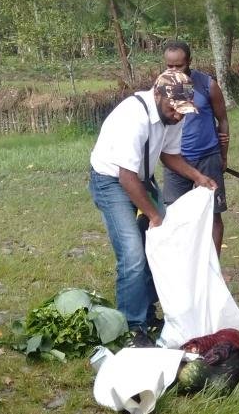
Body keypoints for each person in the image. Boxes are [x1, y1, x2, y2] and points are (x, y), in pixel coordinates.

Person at [89, 71, 217, 347]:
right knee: (133, 252)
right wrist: (154, 215)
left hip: (141, 179)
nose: (179, 116)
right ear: (158, 95)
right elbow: (126, 177)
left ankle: (147, 314)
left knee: (159, 247)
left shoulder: (173, 115)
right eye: (174, 108)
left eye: (183, 110)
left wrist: (197, 176)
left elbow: (169, 155)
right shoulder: (133, 117)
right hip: (111, 181)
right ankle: (132, 328)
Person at [162, 40, 230, 256]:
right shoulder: (162, 88)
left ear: (189, 62)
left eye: (178, 66)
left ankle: (213, 267)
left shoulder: (208, 85)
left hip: (207, 158)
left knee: (212, 214)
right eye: (169, 66)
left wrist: (223, 156)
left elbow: (223, 121)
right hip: (176, 161)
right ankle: (183, 265)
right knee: (173, 215)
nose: (173, 70)